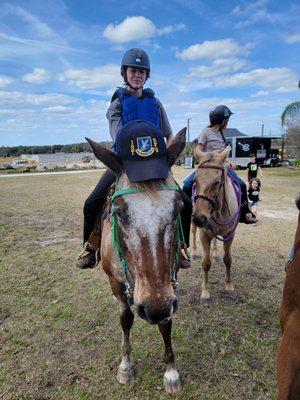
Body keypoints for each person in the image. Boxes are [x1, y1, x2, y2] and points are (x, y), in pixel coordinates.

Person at [76, 48, 192, 269]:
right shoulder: (117, 105)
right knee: (92, 202)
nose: (137, 75)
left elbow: (168, 136)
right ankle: (91, 246)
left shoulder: (155, 104)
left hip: (156, 165)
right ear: (124, 73)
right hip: (124, 164)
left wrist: (166, 164)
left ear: (147, 75)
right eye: (133, 70)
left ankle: (181, 246)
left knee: (185, 203)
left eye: (142, 71)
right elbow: (118, 138)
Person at [183, 105, 257, 224]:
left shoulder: (222, 134)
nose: (227, 122)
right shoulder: (205, 132)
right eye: (227, 120)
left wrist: (228, 161)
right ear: (222, 121)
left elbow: (223, 152)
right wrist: (211, 154)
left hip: (222, 167)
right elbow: (198, 151)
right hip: (208, 168)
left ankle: (244, 214)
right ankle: (187, 212)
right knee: (187, 185)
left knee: (242, 185)